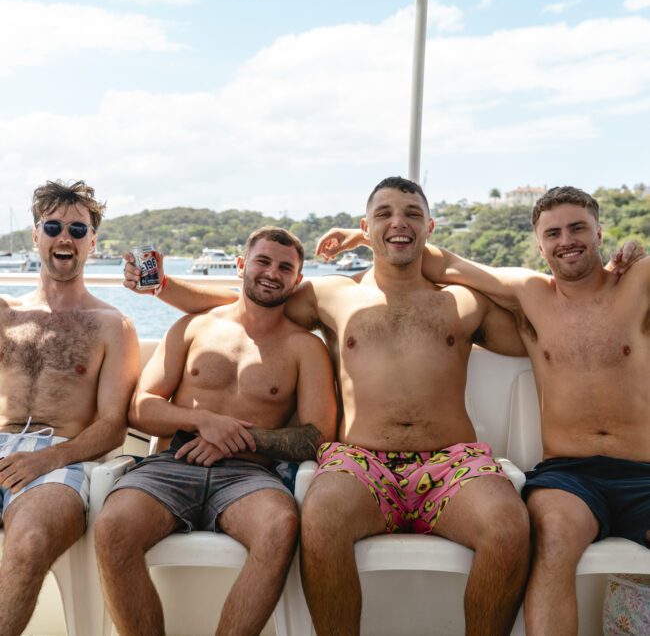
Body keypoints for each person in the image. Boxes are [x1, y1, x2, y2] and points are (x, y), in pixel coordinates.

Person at [123, 178, 531, 636]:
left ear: (429, 227)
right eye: (384, 215)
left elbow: (534, 329)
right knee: (320, 521)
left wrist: (452, 266)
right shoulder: (333, 295)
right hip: (362, 460)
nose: (399, 223)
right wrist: (163, 287)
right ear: (366, 225)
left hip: (450, 460)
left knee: (508, 528)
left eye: (412, 215)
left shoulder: (464, 301)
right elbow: (252, 299)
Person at [318, 185, 650, 635]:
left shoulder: (638, 281)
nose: (566, 240)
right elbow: (443, 262)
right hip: (572, 474)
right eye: (553, 233)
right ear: (539, 245)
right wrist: (365, 236)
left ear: (599, 231)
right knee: (551, 537)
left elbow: (430, 258)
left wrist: (638, 251)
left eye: (577, 228)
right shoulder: (531, 293)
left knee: (511, 529)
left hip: (639, 469)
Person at [96, 226, 337, 636]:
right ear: (242, 265)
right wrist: (202, 421)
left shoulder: (304, 347)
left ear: (297, 281)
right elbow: (141, 407)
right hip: (173, 464)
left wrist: (236, 437)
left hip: (249, 475)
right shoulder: (194, 327)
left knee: (279, 528)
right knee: (112, 527)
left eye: (285, 267)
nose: (272, 273)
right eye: (262, 261)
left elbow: (318, 436)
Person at [0, 180, 140, 636]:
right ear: (35, 237)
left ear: (92, 243)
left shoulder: (112, 326)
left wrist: (46, 459)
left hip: (61, 456)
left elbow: (113, 427)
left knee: (31, 541)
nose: (66, 238)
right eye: (54, 226)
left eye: (78, 230)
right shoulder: (6, 314)